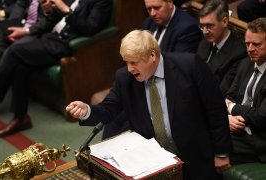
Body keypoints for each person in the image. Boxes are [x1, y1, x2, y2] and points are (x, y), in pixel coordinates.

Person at [66, 30, 232, 180]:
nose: (130, 68)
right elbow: (108, 109)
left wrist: (221, 152)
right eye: (126, 62)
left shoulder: (189, 66)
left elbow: (215, 109)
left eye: (134, 62)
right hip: (152, 162)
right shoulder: (125, 78)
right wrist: (86, 111)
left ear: (152, 55)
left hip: (195, 156)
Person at [0, 0, 112, 138]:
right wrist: (49, 11)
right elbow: (53, 19)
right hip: (50, 37)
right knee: (20, 65)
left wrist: (66, 10)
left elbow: (89, 28)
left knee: (14, 51)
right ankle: (21, 117)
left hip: (66, 44)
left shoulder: (102, 1)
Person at [102, 0, 203, 139]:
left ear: (170, 2)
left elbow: (175, 68)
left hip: (163, 88)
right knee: (113, 117)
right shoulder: (148, 23)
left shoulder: (187, 28)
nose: (152, 13)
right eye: (149, 9)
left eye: (156, 8)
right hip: (144, 80)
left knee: (126, 121)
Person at [0, 0, 58, 94]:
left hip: (38, 33)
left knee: (11, 51)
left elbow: (50, 20)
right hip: (21, 25)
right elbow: (20, 4)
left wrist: (26, 31)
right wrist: (12, 27)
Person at [226, 17, 266, 164]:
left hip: (257, 140)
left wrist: (232, 107)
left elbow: (260, 117)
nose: (249, 49)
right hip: (236, 129)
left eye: (256, 44)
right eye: (247, 43)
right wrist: (228, 118)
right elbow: (228, 96)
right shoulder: (245, 64)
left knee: (210, 147)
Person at [196, 0, 248, 95]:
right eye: (202, 26)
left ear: (224, 22)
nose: (205, 32)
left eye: (209, 26)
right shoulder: (204, 42)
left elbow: (221, 91)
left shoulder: (239, 53)